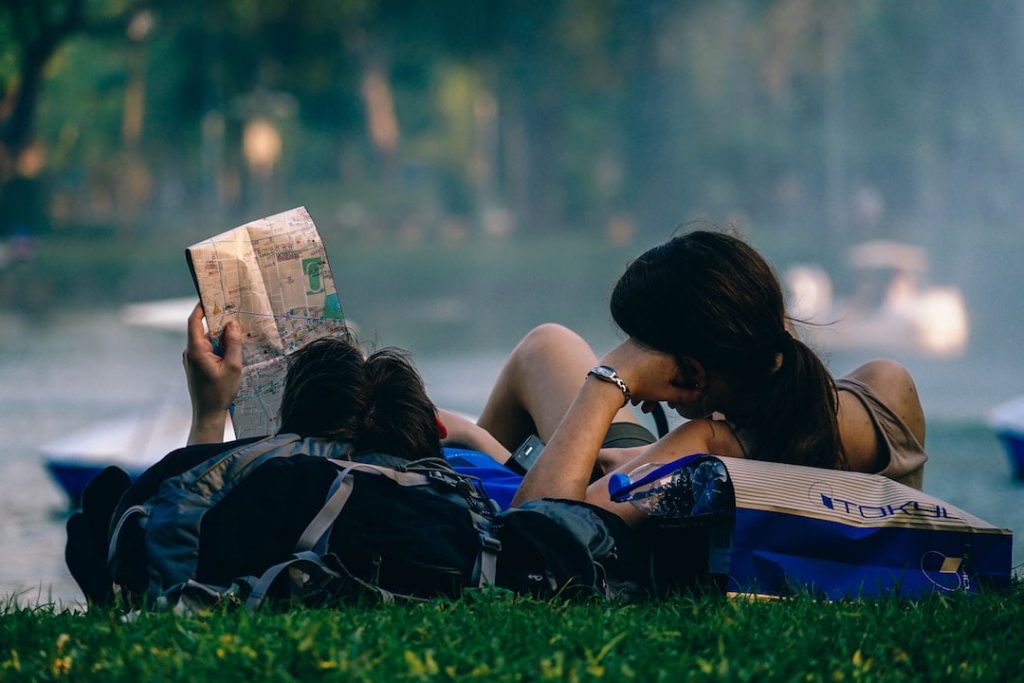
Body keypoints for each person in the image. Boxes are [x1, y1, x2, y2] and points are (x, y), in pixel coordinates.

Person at [484, 230, 927, 525]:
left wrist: (610, 380)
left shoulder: (702, 445)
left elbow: (540, 530)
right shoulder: (887, 389)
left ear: (691, 372)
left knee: (545, 346)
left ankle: (442, 498)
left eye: (643, 350)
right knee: (549, 347)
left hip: (627, 514)